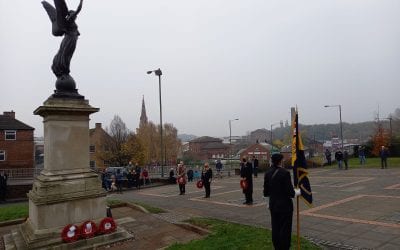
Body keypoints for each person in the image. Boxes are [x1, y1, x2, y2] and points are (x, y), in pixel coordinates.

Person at [263, 153, 300, 250]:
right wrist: (297, 192)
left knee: (275, 227)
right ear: (280, 161)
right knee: (285, 229)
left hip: (273, 205)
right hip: (285, 207)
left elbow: (266, 192)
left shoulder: (267, 173)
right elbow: (290, 193)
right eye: (282, 160)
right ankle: (284, 247)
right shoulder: (285, 173)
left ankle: (277, 246)